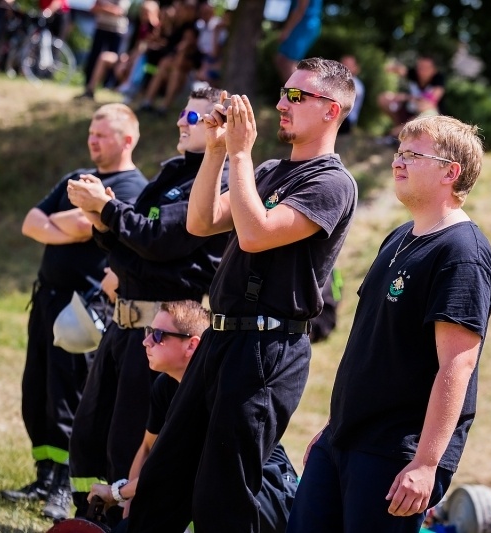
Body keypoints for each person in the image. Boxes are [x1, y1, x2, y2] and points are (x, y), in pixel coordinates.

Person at [124, 57, 358, 533]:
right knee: (164, 477)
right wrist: (213, 152)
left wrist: (239, 154)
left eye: (297, 96)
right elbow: (201, 222)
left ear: (332, 110)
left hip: (266, 350)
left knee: (222, 494)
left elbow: (256, 234)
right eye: (283, 93)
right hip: (221, 338)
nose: (280, 105)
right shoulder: (270, 169)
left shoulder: (332, 183)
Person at [286, 114, 491, 533]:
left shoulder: (463, 253)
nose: (397, 162)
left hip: (395, 453)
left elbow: (457, 366)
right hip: (344, 439)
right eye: (398, 153)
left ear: (450, 173)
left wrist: (425, 464)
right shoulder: (400, 236)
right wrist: (334, 429)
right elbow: (376, 348)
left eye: (413, 155)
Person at [65, 86, 231, 529]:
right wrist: (103, 221)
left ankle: (121, 523)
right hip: (123, 324)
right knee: (88, 432)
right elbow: (131, 243)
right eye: (183, 112)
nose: (182, 121)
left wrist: (108, 211)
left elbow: (158, 243)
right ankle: (85, 518)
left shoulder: (218, 181)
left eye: (194, 118)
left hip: (161, 329)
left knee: (127, 442)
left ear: (218, 126)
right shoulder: (172, 172)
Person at [2, 103, 148, 522]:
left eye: (102, 134)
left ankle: (65, 488)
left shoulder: (134, 187)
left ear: (127, 139)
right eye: (90, 133)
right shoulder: (78, 178)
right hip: (46, 299)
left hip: (84, 308)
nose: (92, 140)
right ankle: (44, 475)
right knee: (38, 391)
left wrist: (72, 220)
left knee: (71, 398)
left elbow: (89, 226)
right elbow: (33, 222)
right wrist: (72, 218)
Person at [87, 301, 299, 533]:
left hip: (267, 495)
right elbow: (147, 448)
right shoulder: (165, 386)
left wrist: (117, 492)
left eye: (158, 335)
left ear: (192, 346)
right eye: (149, 332)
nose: (146, 341)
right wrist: (132, 504)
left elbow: (175, 470)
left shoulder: (216, 393)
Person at [377, 54, 445, 143]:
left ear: (433, 70)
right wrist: (386, 68)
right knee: (384, 98)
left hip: (426, 118)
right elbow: (399, 69)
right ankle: (399, 129)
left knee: (425, 111)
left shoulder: (438, 81)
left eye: (425, 68)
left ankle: (396, 134)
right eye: (420, 67)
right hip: (408, 111)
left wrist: (406, 97)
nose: (421, 70)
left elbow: (429, 102)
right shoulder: (413, 74)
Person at [81, 0, 131, 95]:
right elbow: (93, 8)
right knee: (94, 58)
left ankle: (107, 86)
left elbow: (119, 11)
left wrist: (102, 7)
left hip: (117, 31)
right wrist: (109, 8)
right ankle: (89, 85)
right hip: (100, 28)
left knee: (113, 61)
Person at [275, 0, 322, 83]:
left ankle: (300, 93)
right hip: (306, 24)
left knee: (287, 62)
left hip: (303, 24)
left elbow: (301, 8)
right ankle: (295, 92)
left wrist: (286, 30)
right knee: (282, 60)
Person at [337, 55, 364, 135]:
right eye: (343, 63)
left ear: (355, 68)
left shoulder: (357, 85)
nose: (344, 66)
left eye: (348, 64)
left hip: (346, 121)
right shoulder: (335, 81)